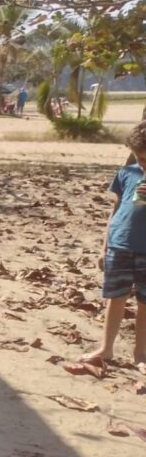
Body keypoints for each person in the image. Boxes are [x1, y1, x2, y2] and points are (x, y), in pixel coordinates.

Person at [79, 120, 146, 366]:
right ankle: (106, 348)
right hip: (120, 244)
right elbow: (116, 209)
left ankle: (140, 355)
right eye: (139, 158)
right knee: (115, 298)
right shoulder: (127, 173)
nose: (142, 164)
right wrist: (104, 246)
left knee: (144, 304)